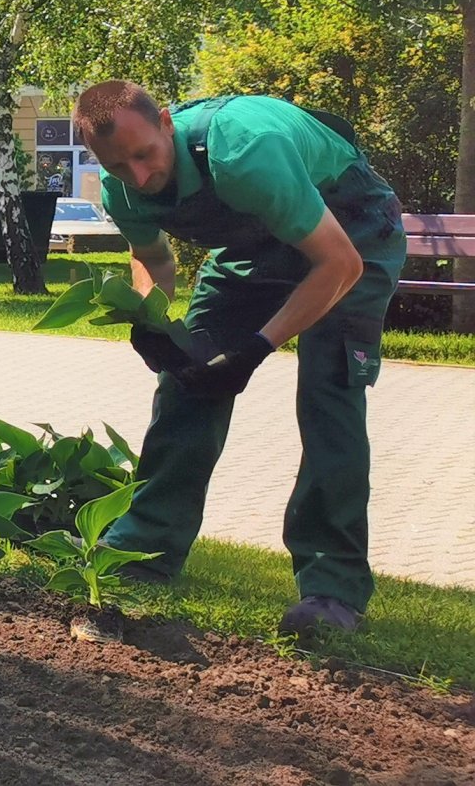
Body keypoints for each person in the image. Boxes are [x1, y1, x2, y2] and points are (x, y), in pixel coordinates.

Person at [74, 81, 404, 638]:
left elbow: (337, 265)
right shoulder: (120, 186)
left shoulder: (245, 151)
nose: (138, 176)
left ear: (167, 125)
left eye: (144, 155)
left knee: (329, 394)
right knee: (189, 379)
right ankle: (144, 548)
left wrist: (256, 349)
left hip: (354, 233)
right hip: (254, 249)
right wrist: (153, 320)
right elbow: (151, 255)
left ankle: (334, 588)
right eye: (117, 165)